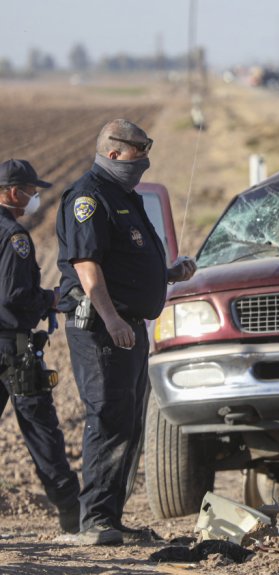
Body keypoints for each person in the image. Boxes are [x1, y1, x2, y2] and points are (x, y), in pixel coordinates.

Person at [55, 119, 197, 546]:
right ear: (113, 153)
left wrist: (168, 274)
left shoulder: (124, 197)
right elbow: (88, 268)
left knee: (128, 425)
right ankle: (95, 520)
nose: (145, 160)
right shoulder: (89, 197)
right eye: (139, 152)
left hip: (129, 330)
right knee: (109, 420)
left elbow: (126, 261)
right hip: (102, 329)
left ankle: (110, 519)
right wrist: (113, 319)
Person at [0, 159, 81, 534]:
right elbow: (15, 295)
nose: (34, 198)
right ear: (12, 192)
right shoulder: (14, 236)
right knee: (40, 428)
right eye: (31, 191)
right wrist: (47, 300)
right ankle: (71, 512)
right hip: (12, 350)